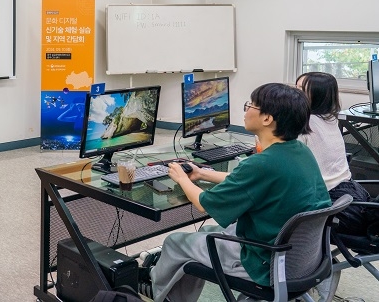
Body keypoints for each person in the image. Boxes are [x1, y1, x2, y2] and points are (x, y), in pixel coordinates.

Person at [146, 83, 331, 302]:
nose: (245, 111)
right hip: (300, 258)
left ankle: (158, 295)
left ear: (267, 119)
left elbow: (203, 203)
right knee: (208, 231)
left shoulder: (262, 164)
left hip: (264, 263)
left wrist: (181, 178)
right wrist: (202, 174)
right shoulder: (300, 151)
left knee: (176, 242)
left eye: (250, 105)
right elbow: (246, 182)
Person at [296, 72, 371, 235]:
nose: (295, 93)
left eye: (301, 89)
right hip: (354, 198)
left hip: (337, 210)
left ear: (317, 95)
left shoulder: (306, 123)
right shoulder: (329, 118)